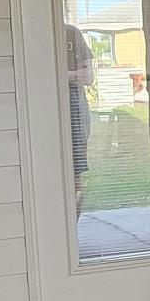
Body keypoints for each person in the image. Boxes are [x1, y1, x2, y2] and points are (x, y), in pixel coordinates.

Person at [63, 23, 94, 208]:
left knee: (76, 177)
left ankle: (72, 228)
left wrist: (64, 74)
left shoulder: (72, 33)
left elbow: (88, 77)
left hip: (76, 114)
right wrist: (73, 74)